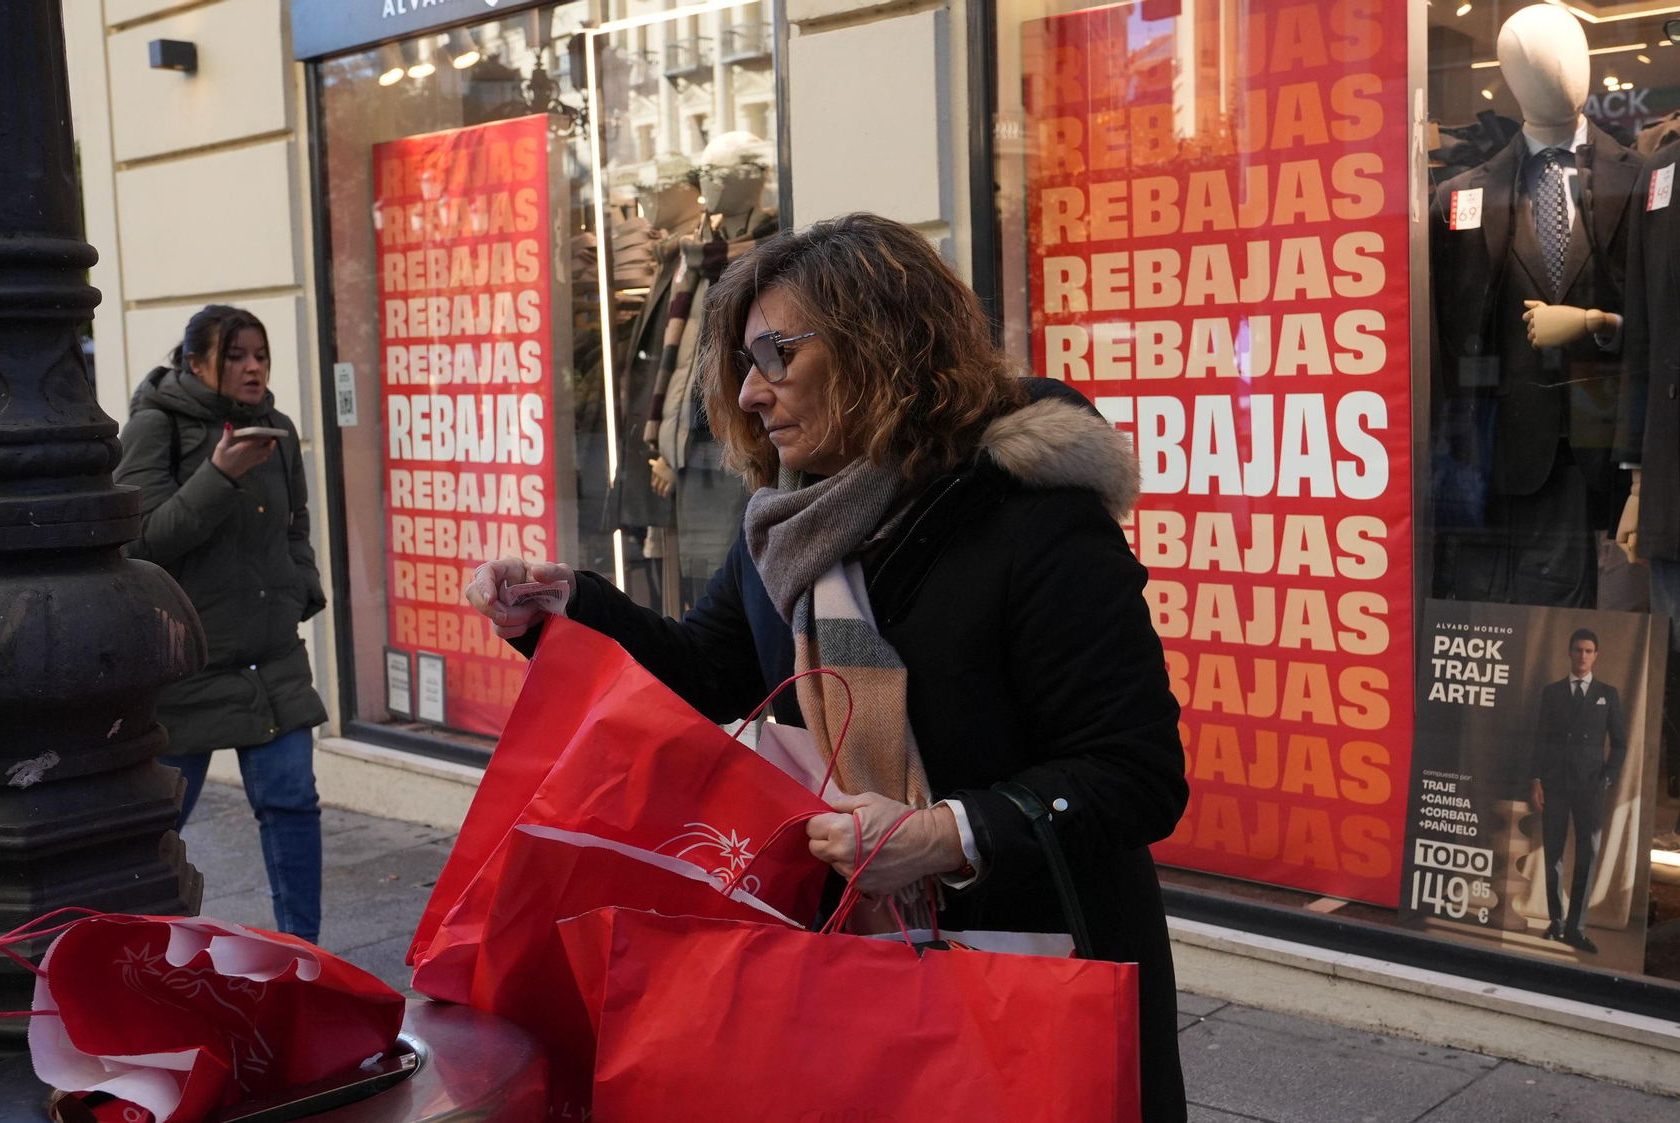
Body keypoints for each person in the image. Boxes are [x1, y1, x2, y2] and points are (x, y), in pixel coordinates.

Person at [467, 213, 1189, 1119]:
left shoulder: (1035, 522)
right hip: (855, 957)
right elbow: (710, 671)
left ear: (881, 344)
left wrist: (943, 834)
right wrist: (566, 610)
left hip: (1043, 958)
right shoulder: (792, 523)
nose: (753, 391)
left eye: (776, 354)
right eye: (742, 364)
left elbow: (1136, 773)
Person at [116, 305, 329, 943]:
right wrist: (219, 475)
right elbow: (141, 545)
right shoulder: (156, 427)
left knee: (293, 804)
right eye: (236, 355)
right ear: (197, 363)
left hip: (273, 659)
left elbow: (296, 525)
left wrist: (300, 590)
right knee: (158, 826)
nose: (255, 366)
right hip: (190, 668)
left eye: (260, 354)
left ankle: (305, 957)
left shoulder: (279, 428)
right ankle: (135, 956)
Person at [1527, 628, 1628, 953]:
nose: (1582, 656)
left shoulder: (1607, 694)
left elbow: (1621, 744)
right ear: (1569, 653)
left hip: (1590, 786)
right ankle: (1556, 923)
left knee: (1588, 854)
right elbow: (1540, 738)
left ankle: (1576, 928)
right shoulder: (1552, 692)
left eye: (1588, 651)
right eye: (1577, 650)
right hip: (1555, 783)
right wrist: (1537, 780)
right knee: (1553, 852)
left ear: (1595, 655)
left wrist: (1608, 778)